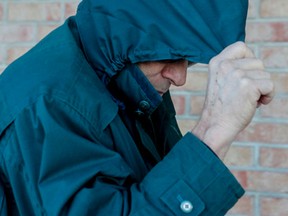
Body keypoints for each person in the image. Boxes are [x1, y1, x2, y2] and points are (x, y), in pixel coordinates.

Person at [0, 0, 274, 215]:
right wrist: (212, 133)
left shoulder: (125, 73)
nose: (180, 77)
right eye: (171, 55)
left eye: (188, 59)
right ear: (127, 33)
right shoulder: (49, 106)